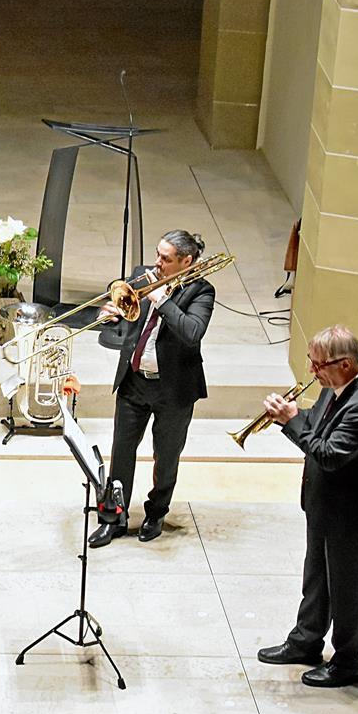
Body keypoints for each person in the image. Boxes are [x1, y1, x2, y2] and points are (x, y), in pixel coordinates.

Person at [256, 325, 358, 688]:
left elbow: (330, 454)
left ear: (345, 364)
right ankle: (306, 641)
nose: (313, 372)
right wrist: (293, 414)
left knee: (345, 591)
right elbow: (316, 424)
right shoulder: (334, 387)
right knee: (316, 577)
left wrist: (290, 420)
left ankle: (348, 663)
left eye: (319, 365)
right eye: (311, 362)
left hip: (350, 513)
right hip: (323, 504)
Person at [89, 230, 214, 548]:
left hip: (173, 390)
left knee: (166, 456)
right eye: (158, 254)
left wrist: (163, 300)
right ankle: (113, 518)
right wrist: (111, 315)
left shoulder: (201, 291)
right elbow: (125, 308)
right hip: (134, 380)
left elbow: (192, 332)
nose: (157, 263)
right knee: (122, 452)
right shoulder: (144, 275)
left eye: (166, 259)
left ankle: (156, 514)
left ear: (186, 261)